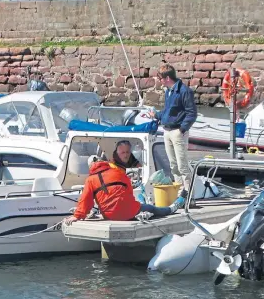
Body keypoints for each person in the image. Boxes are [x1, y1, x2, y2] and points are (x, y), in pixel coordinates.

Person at [64, 155, 185, 225]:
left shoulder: (90, 180)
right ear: (104, 162)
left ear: (91, 167)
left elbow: (86, 200)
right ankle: (172, 207)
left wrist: (78, 215)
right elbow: (129, 192)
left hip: (109, 215)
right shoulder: (118, 172)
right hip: (130, 212)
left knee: (141, 205)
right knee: (153, 208)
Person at [148, 63, 197, 199]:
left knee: (182, 165)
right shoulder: (168, 91)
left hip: (177, 132)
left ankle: (189, 197)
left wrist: (182, 129)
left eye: (161, 79)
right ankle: (180, 194)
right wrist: (157, 115)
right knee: (173, 165)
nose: (160, 81)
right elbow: (168, 111)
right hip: (167, 130)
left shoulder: (184, 91)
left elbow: (191, 113)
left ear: (167, 78)